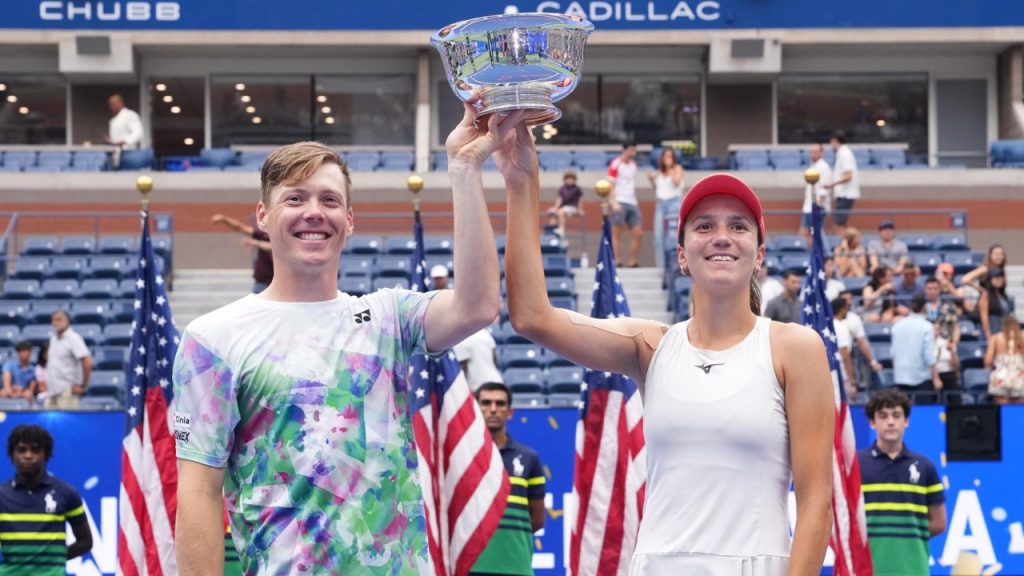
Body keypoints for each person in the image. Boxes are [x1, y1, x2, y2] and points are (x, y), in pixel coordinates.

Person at [173, 101, 525, 574]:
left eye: (329, 200)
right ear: (262, 215)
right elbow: (198, 490)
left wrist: (463, 168)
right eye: (294, 199)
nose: (313, 212)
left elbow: (478, 305)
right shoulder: (212, 339)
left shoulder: (387, 317)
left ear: (350, 220)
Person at [502, 125, 834, 576]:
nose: (722, 236)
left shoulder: (795, 347)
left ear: (759, 254)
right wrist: (522, 183)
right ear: (681, 255)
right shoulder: (651, 346)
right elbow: (532, 318)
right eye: (704, 226)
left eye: (739, 226)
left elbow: (817, 502)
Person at [858, 390, 946, 575]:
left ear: (906, 421)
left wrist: (906, 537)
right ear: (872, 422)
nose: (890, 421)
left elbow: (939, 523)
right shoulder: (856, 465)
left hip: (914, 569)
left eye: (896, 415)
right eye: (883, 416)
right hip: (867, 569)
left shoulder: (925, 466)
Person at [470, 383, 545, 576]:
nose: (493, 409)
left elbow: (537, 520)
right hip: (469, 567)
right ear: (475, 408)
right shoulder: (462, 456)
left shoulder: (529, 458)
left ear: (510, 412)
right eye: (486, 403)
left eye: (500, 403)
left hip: (516, 566)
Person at [0, 424, 93, 574]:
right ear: (12, 454)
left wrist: (54, 561)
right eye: (22, 450)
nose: (28, 455)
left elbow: (85, 542)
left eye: (35, 450)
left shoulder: (66, 493)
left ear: (46, 454)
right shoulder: (1, 495)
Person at [889, 295, 941, 401]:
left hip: (900, 376)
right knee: (923, 414)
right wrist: (936, 378)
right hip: (921, 378)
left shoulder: (897, 325)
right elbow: (928, 355)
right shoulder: (927, 327)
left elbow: (893, 354)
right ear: (924, 307)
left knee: (902, 412)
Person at [211, 213, 274, 293]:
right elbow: (240, 228)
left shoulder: (282, 234)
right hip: (261, 282)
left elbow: (273, 247)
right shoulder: (263, 234)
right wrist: (224, 219)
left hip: (275, 284)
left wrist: (256, 243)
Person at [45, 310, 91, 409]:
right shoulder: (53, 338)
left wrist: (83, 385)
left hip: (67, 392)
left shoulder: (74, 338)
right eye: (53, 320)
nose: (54, 323)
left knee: (66, 423)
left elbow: (87, 361)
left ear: (67, 321)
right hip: (52, 391)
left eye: (58, 320)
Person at [647, 148, 685, 268]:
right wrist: (651, 180)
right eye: (665, 156)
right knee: (658, 237)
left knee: (673, 236)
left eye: (670, 156)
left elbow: (676, 183)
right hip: (661, 204)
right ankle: (661, 266)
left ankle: (674, 265)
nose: (667, 159)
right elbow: (658, 189)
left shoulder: (677, 169)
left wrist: (670, 169)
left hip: (673, 203)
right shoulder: (659, 172)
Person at [608, 142, 643, 267]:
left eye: (635, 150)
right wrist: (613, 202)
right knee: (617, 232)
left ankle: (632, 261)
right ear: (624, 150)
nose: (633, 153)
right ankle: (617, 260)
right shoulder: (616, 164)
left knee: (638, 232)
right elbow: (610, 184)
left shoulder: (634, 165)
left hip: (632, 201)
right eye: (631, 150)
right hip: (619, 201)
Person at [984, 314, 1024, 404]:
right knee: (1018, 412)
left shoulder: (995, 338)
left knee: (1002, 411)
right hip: (1019, 377)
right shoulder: (1022, 338)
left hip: (1001, 377)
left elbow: (988, 361)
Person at [823, 132, 860, 227]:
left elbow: (848, 175)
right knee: (841, 223)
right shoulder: (842, 154)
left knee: (838, 224)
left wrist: (832, 184)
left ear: (835, 141)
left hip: (845, 194)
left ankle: (844, 242)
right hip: (842, 194)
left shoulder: (845, 154)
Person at [800, 143, 833, 242]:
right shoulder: (812, 166)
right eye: (811, 152)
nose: (812, 154)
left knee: (815, 233)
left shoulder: (824, 167)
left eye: (815, 152)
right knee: (804, 232)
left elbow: (824, 189)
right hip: (808, 206)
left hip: (817, 207)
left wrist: (817, 205)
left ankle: (816, 254)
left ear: (821, 153)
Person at [454, 327, 503, 392]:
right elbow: (495, 360)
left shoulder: (462, 337)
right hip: (496, 382)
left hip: (478, 388)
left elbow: (463, 368)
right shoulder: (485, 333)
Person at [978, 267, 1015, 341]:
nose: (999, 279)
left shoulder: (1004, 296)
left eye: (1001, 277)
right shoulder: (986, 295)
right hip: (993, 330)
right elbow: (984, 318)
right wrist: (989, 336)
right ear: (990, 279)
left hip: (1004, 330)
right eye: (996, 277)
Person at [831, 298, 857, 399]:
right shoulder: (841, 328)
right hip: (840, 374)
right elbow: (845, 355)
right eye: (847, 308)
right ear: (842, 310)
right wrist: (852, 381)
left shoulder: (827, 326)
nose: (848, 311)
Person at [547, 170, 583, 238]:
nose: (569, 180)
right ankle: (550, 232)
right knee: (554, 215)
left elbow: (580, 200)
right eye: (568, 179)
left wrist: (580, 209)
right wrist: (555, 209)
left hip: (573, 208)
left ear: (574, 180)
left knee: (561, 212)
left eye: (571, 179)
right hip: (563, 208)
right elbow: (559, 200)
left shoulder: (577, 189)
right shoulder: (562, 189)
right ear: (565, 180)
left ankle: (561, 230)